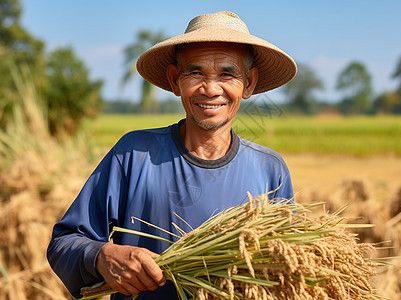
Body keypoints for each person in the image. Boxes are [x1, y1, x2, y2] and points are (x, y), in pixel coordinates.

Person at [47, 11, 297, 300]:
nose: (211, 88)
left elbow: (286, 265)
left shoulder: (270, 170)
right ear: (175, 80)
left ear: (249, 83)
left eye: (227, 73)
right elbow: (64, 243)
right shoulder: (135, 154)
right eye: (195, 73)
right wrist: (101, 256)